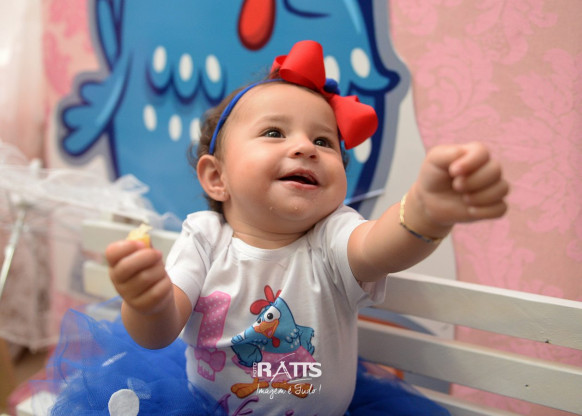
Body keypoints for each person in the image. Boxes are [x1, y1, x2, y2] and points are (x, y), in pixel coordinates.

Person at [48, 40, 508, 416]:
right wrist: (147, 303)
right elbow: (158, 332)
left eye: (324, 140)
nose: (306, 147)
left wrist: (425, 211)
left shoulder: (332, 237)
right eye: (274, 133)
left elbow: (381, 246)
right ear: (217, 177)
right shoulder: (204, 238)